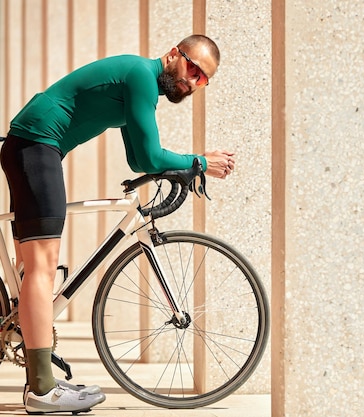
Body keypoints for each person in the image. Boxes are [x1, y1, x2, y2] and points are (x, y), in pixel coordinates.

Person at [0, 34, 234, 414]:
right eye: (192, 68)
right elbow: (151, 155)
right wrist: (200, 162)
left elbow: (140, 160)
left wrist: (181, 165)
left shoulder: (139, 82)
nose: (191, 82)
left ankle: (38, 374)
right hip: (38, 145)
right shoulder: (141, 75)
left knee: (33, 269)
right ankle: (42, 390)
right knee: (42, 269)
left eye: (202, 79)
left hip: (32, 145)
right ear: (174, 53)